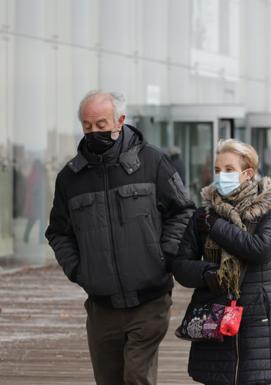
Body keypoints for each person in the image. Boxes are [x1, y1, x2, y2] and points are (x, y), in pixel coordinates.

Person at [45, 91, 195, 385]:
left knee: (137, 377)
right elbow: (58, 232)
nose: (93, 132)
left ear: (120, 121)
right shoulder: (70, 179)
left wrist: (164, 255)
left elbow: (183, 211)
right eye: (87, 126)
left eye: (101, 124)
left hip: (149, 299)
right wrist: (78, 271)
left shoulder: (153, 163)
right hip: (102, 306)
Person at [171, 139, 271, 385]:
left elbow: (261, 250)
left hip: (256, 316)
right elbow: (181, 266)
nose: (221, 176)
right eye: (217, 170)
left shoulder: (269, 209)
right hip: (213, 313)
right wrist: (208, 274)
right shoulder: (203, 214)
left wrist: (217, 227)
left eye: (228, 170)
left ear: (248, 174)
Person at [23, 159, 49, 244]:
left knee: (32, 219)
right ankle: (40, 239)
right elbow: (44, 188)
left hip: (34, 201)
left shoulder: (32, 175)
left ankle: (26, 236)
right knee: (40, 220)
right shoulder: (40, 175)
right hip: (38, 201)